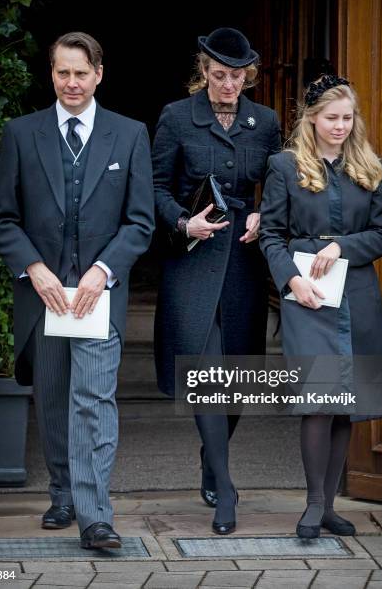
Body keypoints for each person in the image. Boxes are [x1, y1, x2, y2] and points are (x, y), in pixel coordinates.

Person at [0, 32, 154, 550]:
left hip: (97, 296)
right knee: (55, 398)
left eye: (81, 73)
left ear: (99, 74)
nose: (72, 83)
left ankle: (95, 515)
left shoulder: (129, 135)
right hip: (44, 300)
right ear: (52, 74)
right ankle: (62, 491)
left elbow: (140, 222)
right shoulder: (22, 133)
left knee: (93, 400)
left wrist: (103, 269)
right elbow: (4, 219)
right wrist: (34, 269)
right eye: (63, 72)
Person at [152, 27, 281, 534]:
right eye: (219, 75)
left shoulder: (265, 121)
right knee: (205, 373)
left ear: (248, 76)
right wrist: (184, 223)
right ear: (203, 71)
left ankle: (212, 456)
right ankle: (226, 489)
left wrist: (264, 213)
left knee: (238, 378)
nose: (228, 85)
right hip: (193, 258)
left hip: (245, 263)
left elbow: (281, 182)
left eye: (237, 77)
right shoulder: (175, 117)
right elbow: (156, 185)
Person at [260, 75, 382, 539]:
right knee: (319, 401)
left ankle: (331, 505)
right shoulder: (284, 166)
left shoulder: (370, 165)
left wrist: (341, 246)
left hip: (356, 296)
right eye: (331, 118)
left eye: (347, 117)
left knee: (344, 405)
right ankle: (314, 504)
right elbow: (272, 235)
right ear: (312, 119)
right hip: (308, 296)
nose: (340, 126)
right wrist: (291, 280)